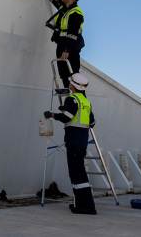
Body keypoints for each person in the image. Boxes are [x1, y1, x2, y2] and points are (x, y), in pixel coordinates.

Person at [44, 72, 97, 215]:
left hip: (73, 141)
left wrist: (53, 115)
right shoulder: (85, 102)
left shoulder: (71, 99)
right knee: (77, 173)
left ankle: (87, 206)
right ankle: (80, 204)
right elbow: (91, 122)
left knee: (77, 174)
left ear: (72, 85)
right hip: (82, 142)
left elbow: (67, 117)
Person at [34, 0, 84, 91]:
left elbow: (73, 34)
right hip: (62, 46)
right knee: (63, 75)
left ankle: (80, 104)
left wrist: (66, 50)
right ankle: (69, 102)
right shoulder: (63, 7)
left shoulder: (75, 13)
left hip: (71, 48)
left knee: (74, 77)